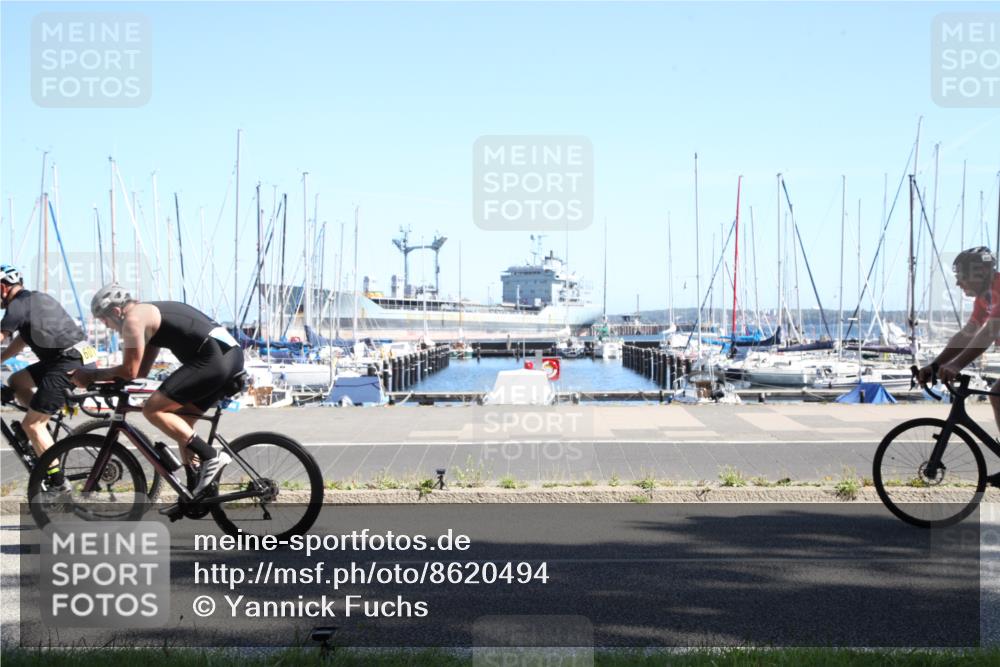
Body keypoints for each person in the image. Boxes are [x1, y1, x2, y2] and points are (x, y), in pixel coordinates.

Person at [70, 284, 245, 497]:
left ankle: (210, 456)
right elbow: (140, 371)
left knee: (153, 409)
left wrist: (90, 376)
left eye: (103, 320)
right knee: (181, 421)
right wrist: (111, 380)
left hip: (213, 360)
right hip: (231, 357)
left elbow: (129, 369)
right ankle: (196, 490)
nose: (106, 326)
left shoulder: (133, 320)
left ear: (116, 312)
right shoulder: (148, 315)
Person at [0, 264, 96, 491]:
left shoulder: (16, 306)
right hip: (74, 357)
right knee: (17, 381)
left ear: (3, 287)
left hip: (67, 363)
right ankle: (37, 426)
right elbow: (22, 339)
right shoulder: (36, 299)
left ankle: (58, 481)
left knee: (33, 425)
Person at [917, 246, 1000, 486]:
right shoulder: (985, 298)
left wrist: (956, 365)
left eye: (962, 275)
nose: (958, 283)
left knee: (997, 393)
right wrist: (935, 366)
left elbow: (990, 332)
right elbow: (967, 334)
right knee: (997, 394)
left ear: (983, 271)